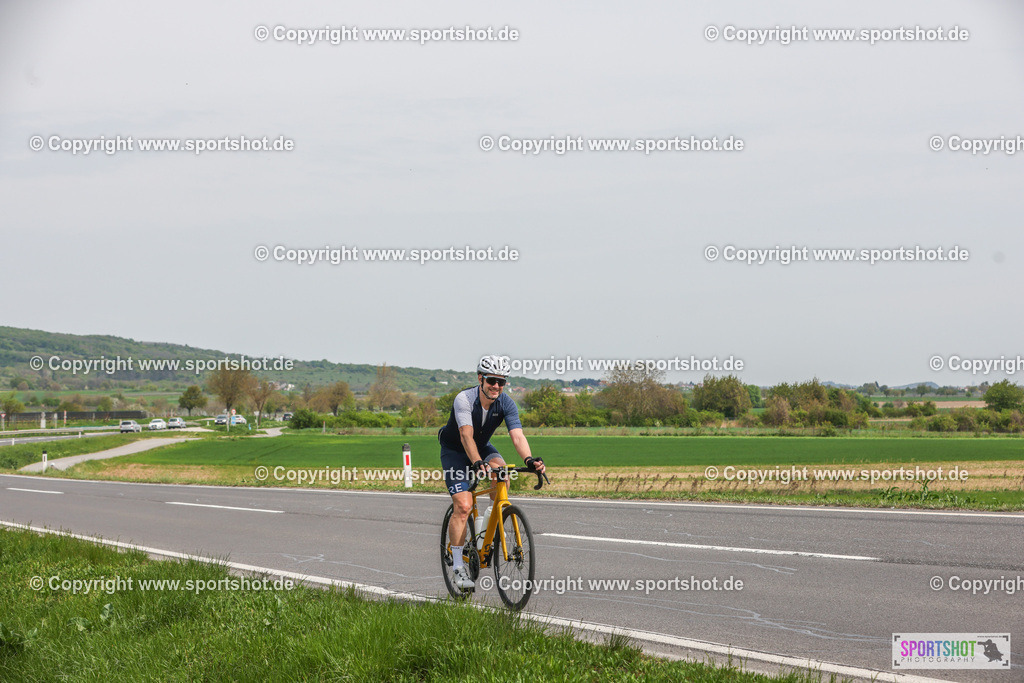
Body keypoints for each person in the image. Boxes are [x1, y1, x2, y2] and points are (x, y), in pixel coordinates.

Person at [439, 355, 545, 589]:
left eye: (501, 381)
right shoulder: (464, 399)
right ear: (481, 379)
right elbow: (466, 436)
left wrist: (529, 459)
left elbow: (517, 436)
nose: (496, 386)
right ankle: (458, 566)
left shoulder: (506, 403)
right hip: (456, 450)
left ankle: (484, 532)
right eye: (491, 381)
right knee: (464, 506)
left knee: (503, 478)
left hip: (483, 446)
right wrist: (477, 463)